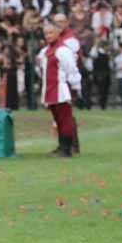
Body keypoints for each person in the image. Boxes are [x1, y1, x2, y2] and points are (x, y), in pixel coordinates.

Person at [38, 22, 81, 157]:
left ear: (57, 33)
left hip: (61, 89)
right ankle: (61, 146)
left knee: (65, 119)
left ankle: (67, 148)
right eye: (46, 33)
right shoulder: (46, 51)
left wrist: (75, 86)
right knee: (57, 119)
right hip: (50, 89)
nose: (48, 36)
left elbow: (71, 69)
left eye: (51, 33)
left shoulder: (62, 50)